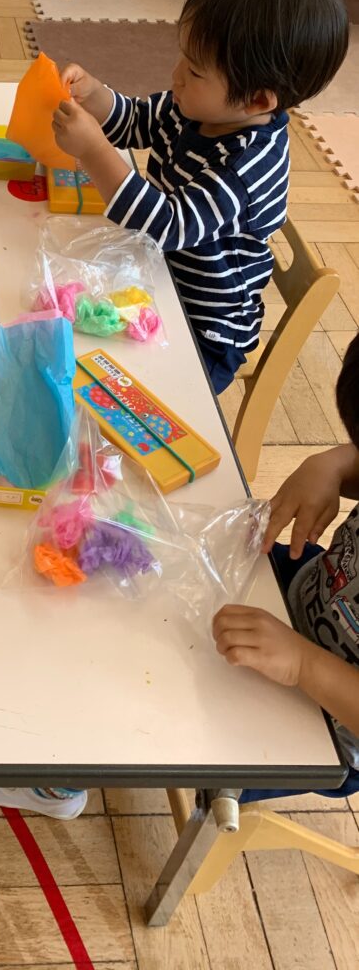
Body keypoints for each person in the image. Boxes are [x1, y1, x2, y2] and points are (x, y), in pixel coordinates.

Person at [52, 0, 349, 394]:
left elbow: (166, 225)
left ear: (258, 102)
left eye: (193, 70)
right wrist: (95, 95)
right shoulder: (195, 106)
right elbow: (136, 120)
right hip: (156, 281)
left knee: (120, 398)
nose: (175, 77)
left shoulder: (245, 169)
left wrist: (94, 150)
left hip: (204, 331)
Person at [214, 328, 359, 803]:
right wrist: (333, 465)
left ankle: (57, 783)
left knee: (165, 728)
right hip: (305, 587)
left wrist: (301, 663)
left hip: (327, 719)